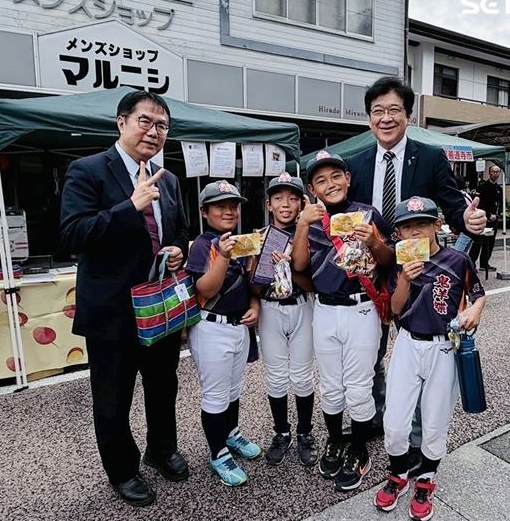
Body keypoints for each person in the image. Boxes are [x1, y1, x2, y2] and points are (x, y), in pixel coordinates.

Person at [60, 90, 190, 507]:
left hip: (160, 307)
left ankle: (161, 448)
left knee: (163, 385)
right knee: (113, 398)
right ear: (122, 122)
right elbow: (73, 234)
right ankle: (123, 470)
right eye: (145, 122)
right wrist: (129, 207)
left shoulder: (168, 179)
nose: (154, 132)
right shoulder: (88, 170)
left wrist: (178, 251)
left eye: (162, 126)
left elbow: (180, 231)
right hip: (112, 311)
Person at [346, 76, 486, 460]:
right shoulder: (355, 164)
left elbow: (452, 204)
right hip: (372, 268)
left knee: (422, 345)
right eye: (378, 111)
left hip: (420, 271)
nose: (386, 118)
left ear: (408, 115)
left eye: (394, 110)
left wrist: (468, 220)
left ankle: (419, 435)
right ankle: (377, 414)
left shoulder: (428, 157)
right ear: (369, 118)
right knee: (370, 348)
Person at [373, 196, 485, 520]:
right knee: (395, 425)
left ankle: (426, 479)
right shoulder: (398, 261)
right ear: (398, 233)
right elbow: (394, 309)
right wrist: (406, 278)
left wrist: (476, 309)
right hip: (408, 343)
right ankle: (398, 474)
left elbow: (477, 295)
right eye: (406, 227)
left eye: (421, 224)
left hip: (444, 347)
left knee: (435, 422)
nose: (414, 232)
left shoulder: (458, 260)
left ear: (437, 225)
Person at [292, 151, 395, 492]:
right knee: (331, 386)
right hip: (323, 310)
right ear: (312, 188)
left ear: (348, 178)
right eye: (321, 180)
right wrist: (304, 223)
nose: (330, 184)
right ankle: (336, 440)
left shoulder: (367, 213)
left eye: (336, 176)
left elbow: (387, 261)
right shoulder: (311, 218)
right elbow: (300, 266)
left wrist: (374, 241)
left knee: (359, 387)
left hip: (362, 309)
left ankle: (359, 449)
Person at [185, 180, 262, 486]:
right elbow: (204, 289)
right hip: (211, 326)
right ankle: (218, 453)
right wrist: (224, 256)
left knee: (232, 391)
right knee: (216, 396)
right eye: (220, 206)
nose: (229, 211)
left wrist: (255, 304)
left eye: (233, 205)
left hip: (238, 328)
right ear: (205, 212)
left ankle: (230, 435)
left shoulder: (241, 240)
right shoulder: (204, 243)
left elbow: (250, 283)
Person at [256, 173, 318, 467]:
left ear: (301, 202)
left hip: (302, 306)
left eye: (293, 198)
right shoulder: (258, 237)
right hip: (270, 309)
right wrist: (262, 266)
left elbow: (313, 285)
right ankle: (281, 432)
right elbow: (253, 287)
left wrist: (290, 267)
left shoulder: (310, 233)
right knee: (276, 376)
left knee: (303, 375)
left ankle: (305, 432)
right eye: (279, 198)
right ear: (269, 204)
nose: (286, 204)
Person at [469, 164, 502, 271]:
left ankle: (484, 263)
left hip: (494, 219)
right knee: (478, 242)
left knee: (490, 242)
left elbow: (499, 204)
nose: (495, 174)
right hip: (482, 218)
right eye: (493, 171)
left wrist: (497, 215)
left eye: (497, 172)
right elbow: (479, 204)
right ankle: (471, 263)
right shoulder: (482, 187)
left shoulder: (499, 189)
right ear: (489, 173)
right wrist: (488, 215)